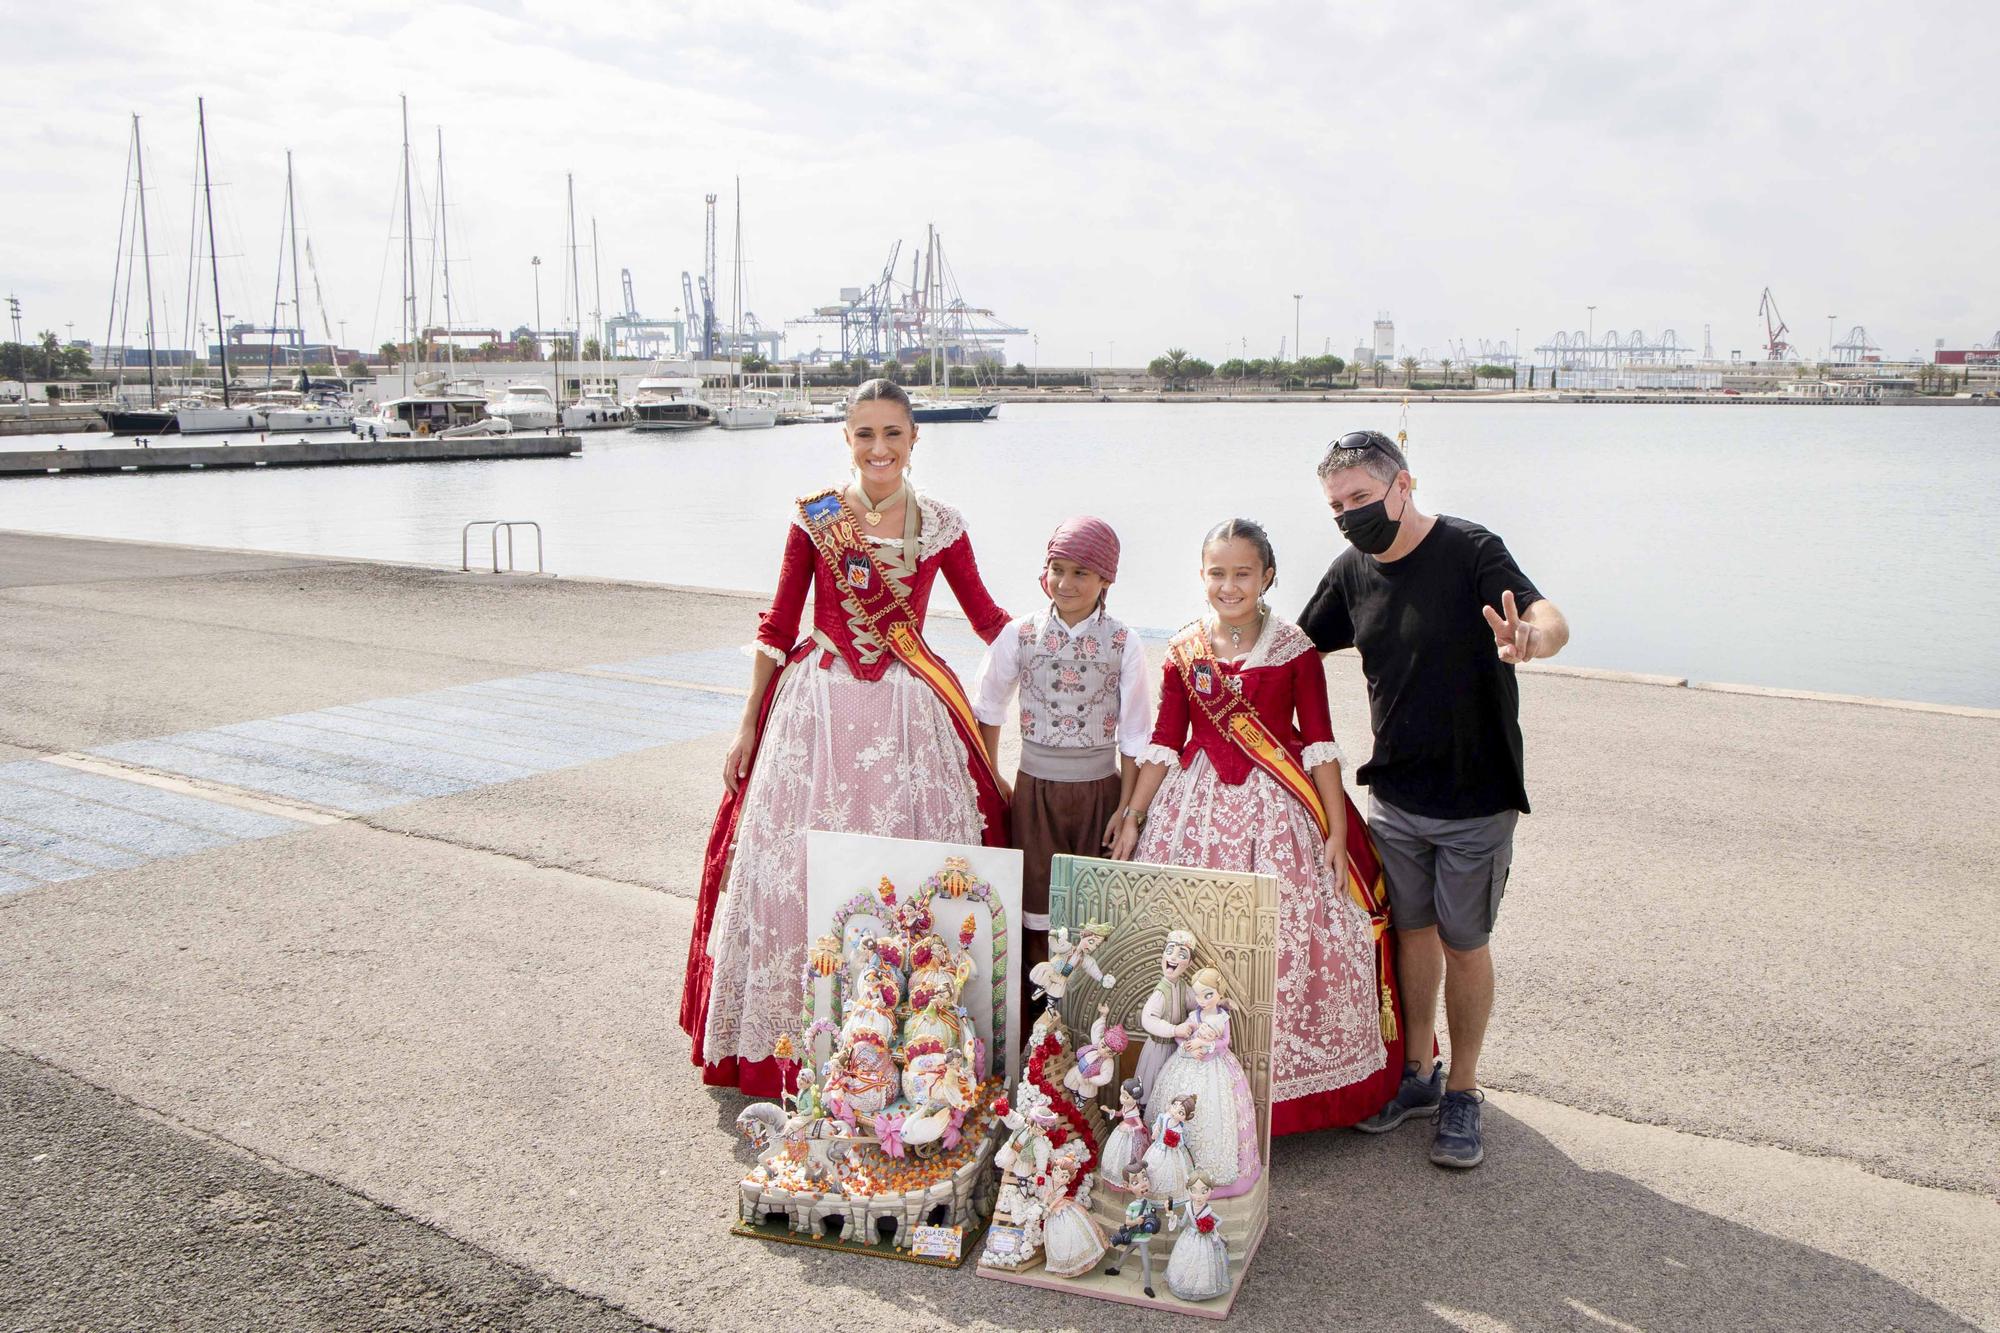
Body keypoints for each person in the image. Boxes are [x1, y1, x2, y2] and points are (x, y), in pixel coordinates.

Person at [678, 379, 1012, 1097]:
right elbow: (778, 624)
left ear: (915, 437)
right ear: (847, 440)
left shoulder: (945, 524)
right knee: (796, 869)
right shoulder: (816, 519)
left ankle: (915, 1037)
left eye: (893, 432)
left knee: (907, 869)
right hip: (819, 710)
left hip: (906, 715)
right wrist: (747, 725)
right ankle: (796, 1042)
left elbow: (989, 621)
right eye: (865, 434)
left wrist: (1067, 652)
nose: (879, 447)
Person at [1300, 430, 1569, 1170]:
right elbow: (1290, 647)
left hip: (1477, 796)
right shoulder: (1351, 571)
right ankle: (1418, 1073)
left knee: (1463, 940)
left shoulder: (1470, 549)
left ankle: (1465, 1090)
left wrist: (1530, 641)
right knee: (1410, 933)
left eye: (1360, 497)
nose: (1350, 514)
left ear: (1403, 485)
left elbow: (1550, 617)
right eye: (1336, 506)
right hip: (1395, 794)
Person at [1112, 519, 1404, 1135]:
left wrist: (1335, 830)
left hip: (1279, 812)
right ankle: (1185, 1079)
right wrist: (1135, 817)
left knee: (1291, 937)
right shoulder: (1185, 649)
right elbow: (1165, 743)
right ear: (1202, 576)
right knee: (1194, 938)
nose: (1229, 585)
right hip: (1193, 811)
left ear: (1266, 576)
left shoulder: (1294, 648)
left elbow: (1319, 744)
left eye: (1242, 573)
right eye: (1217, 573)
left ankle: (1287, 1099)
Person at [972, 516, 1152, 976]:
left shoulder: (1123, 641)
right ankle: (1039, 1025)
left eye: (1081, 573)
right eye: (1058, 568)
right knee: (1036, 907)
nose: (1065, 583)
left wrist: (1126, 806)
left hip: (1100, 793)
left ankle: (1086, 1019)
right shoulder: (1021, 633)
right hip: (1035, 791)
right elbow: (989, 707)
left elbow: (1133, 733)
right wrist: (995, 777)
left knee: (1092, 913)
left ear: (1106, 579)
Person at [1140, 967, 1260, 1198]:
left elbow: (1226, 1042)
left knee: (1215, 1112)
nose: (1202, 1000)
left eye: (1208, 995)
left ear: (1218, 993)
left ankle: (1208, 1173)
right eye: (1198, 995)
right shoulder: (1194, 1016)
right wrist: (1187, 1045)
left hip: (1216, 1065)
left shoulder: (1222, 1017)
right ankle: (1170, 1166)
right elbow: (1180, 1035)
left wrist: (1206, 1046)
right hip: (1187, 1063)